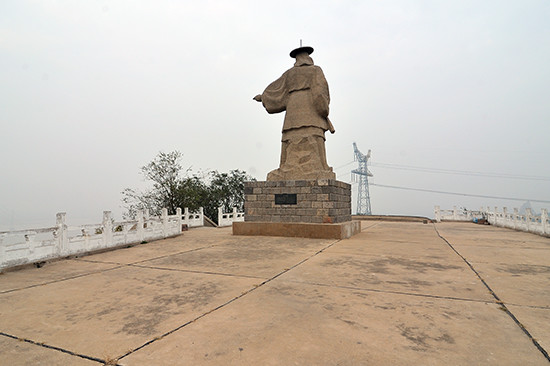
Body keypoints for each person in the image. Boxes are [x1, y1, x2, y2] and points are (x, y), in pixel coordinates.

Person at [254, 46, 336, 181]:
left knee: (291, 138)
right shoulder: (316, 70)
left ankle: (288, 167)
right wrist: (323, 109)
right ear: (308, 57)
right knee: (314, 136)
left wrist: (263, 97)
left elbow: (276, 90)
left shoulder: (289, 73)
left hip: (293, 107)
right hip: (310, 108)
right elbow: (320, 92)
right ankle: (321, 167)